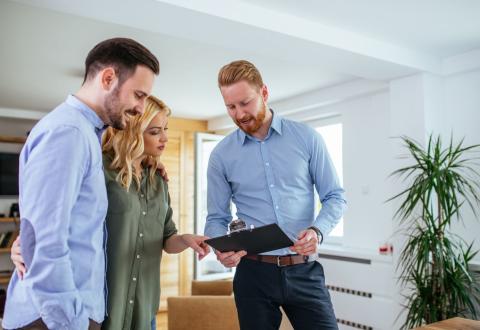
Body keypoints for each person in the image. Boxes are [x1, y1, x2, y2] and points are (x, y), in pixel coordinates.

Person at [11, 96, 210, 330]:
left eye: (165, 129)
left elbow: (167, 238)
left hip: (144, 309)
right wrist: (25, 242)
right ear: (133, 131)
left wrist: (186, 239)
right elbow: (58, 214)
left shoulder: (159, 179)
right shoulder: (98, 168)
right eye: (155, 131)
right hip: (103, 308)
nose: (165, 138)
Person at [2, 37, 159, 330]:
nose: (140, 108)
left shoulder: (87, 134)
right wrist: (71, 323)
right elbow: (44, 243)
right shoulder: (68, 133)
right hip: (54, 318)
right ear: (108, 78)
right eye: (138, 95)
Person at [204, 60, 347, 330]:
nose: (239, 114)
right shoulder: (221, 155)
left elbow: (335, 196)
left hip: (303, 270)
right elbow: (216, 218)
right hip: (252, 274)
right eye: (230, 107)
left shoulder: (307, 138)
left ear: (264, 93)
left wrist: (317, 231)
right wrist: (221, 250)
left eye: (245, 103)